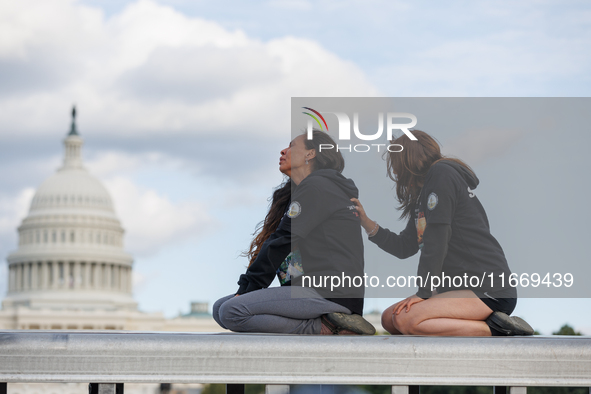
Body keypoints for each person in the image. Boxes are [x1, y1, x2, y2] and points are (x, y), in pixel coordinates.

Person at [353, 130, 533, 336]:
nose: (394, 170)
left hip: (487, 289)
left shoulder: (441, 174)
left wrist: (424, 292)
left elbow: (437, 240)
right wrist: (367, 224)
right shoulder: (423, 197)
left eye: (395, 161)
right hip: (458, 287)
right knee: (389, 319)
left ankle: (499, 329)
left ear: (407, 159)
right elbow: (405, 247)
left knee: (406, 320)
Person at [213, 130, 375, 335]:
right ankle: (326, 321)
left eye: (292, 146)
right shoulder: (309, 190)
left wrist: (249, 288)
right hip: (314, 291)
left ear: (311, 154)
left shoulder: (318, 187)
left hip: (331, 294)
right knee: (220, 308)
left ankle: (327, 327)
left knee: (231, 311)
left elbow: (282, 240)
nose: (283, 151)